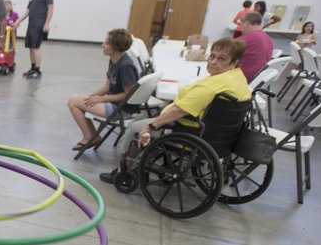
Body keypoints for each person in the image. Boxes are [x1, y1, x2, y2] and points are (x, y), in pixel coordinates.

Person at [100, 38, 250, 184]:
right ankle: (141, 165)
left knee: (135, 128)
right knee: (156, 122)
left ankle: (123, 171)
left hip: (191, 131)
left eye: (221, 59)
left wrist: (151, 126)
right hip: (221, 136)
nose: (213, 62)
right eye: (212, 56)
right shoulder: (238, 78)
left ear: (234, 62)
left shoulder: (210, 87)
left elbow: (179, 111)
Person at [67, 29, 139, 151]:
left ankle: (89, 136)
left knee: (73, 101)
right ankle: (91, 136)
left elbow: (129, 94)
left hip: (122, 109)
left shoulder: (126, 66)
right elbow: (107, 85)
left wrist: (102, 98)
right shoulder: (114, 59)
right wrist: (91, 97)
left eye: (106, 43)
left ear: (115, 47)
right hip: (113, 103)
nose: (102, 45)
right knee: (77, 101)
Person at [13, 0, 54, 79]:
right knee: (31, 47)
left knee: (35, 47)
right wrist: (18, 21)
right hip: (31, 25)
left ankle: (37, 70)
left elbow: (50, 8)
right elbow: (28, 10)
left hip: (39, 25)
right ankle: (32, 68)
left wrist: (47, 23)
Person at [238, 11, 274, 82]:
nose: (240, 28)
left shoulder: (246, 39)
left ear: (247, 23)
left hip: (244, 78)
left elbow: (225, 51)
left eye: (240, 24)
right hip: (259, 77)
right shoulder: (268, 38)